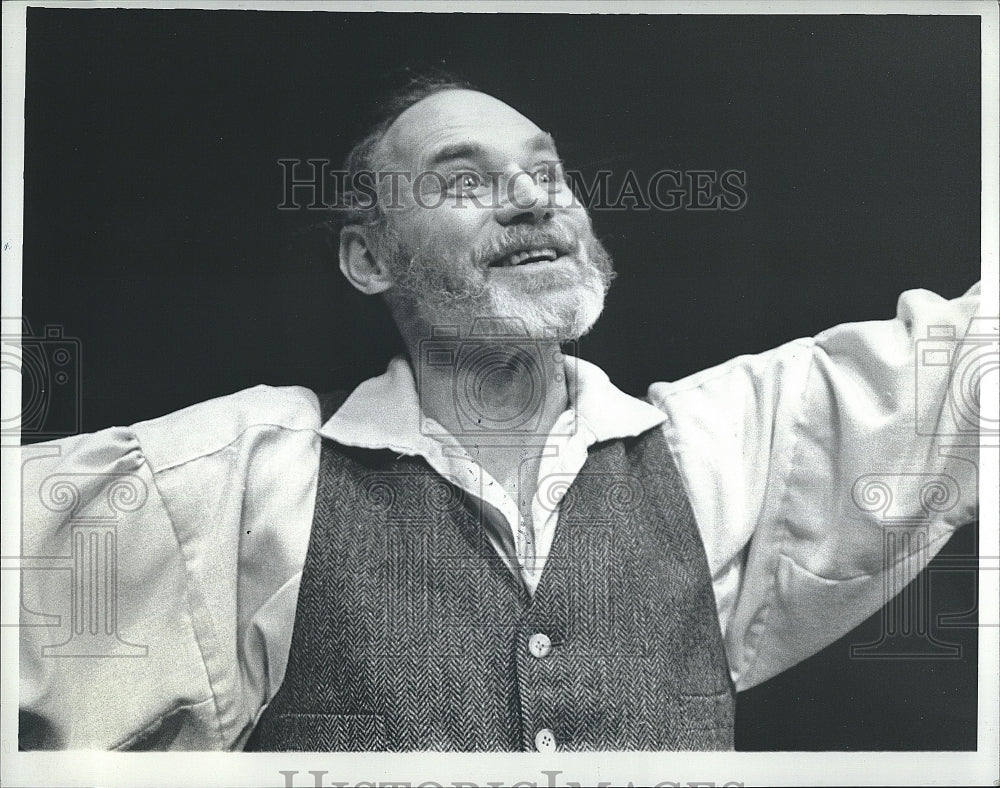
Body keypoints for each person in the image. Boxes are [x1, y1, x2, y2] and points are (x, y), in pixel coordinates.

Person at [18, 76, 982, 751]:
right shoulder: (253, 480)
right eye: (465, 181)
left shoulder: (714, 451)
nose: (532, 202)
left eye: (549, 174)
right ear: (370, 259)